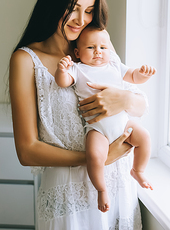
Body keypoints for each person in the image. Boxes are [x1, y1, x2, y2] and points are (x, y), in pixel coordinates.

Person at [9, 0, 148, 229]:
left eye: (89, 10)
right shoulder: (26, 60)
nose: (81, 20)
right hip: (66, 199)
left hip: (118, 191)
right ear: (53, 2)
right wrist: (97, 158)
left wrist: (126, 99)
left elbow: (141, 105)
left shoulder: (97, 49)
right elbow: (27, 151)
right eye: (72, 9)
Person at [55, 26, 155, 213]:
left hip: (123, 122)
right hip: (97, 128)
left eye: (103, 47)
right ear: (77, 52)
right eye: (91, 48)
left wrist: (143, 74)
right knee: (94, 157)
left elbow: (133, 77)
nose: (98, 52)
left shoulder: (115, 66)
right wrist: (62, 70)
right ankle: (101, 189)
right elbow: (63, 82)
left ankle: (138, 170)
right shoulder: (78, 69)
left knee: (144, 137)